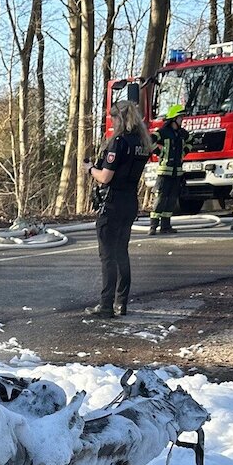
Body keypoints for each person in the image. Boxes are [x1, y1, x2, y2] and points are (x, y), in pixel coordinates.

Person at [84, 99, 150, 317]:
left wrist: (90, 169)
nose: (111, 124)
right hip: (130, 201)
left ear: (120, 119)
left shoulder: (118, 142)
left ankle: (105, 305)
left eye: (113, 119)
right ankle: (121, 302)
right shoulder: (142, 142)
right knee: (122, 252)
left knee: (108, 256)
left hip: (112, 202)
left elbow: (105, 177)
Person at [149, 104, 190, 234]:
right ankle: (153, 226)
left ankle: (165, 226)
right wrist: (159, 153)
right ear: (173, 119)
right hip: (164, 171)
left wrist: (184, 152)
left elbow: (190, 141)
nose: (182, 120)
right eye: (180, 117)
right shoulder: (163, 132)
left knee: (172, 199)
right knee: (161, 198)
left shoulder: (182, 133)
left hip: (177, 171)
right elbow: (149, 140)